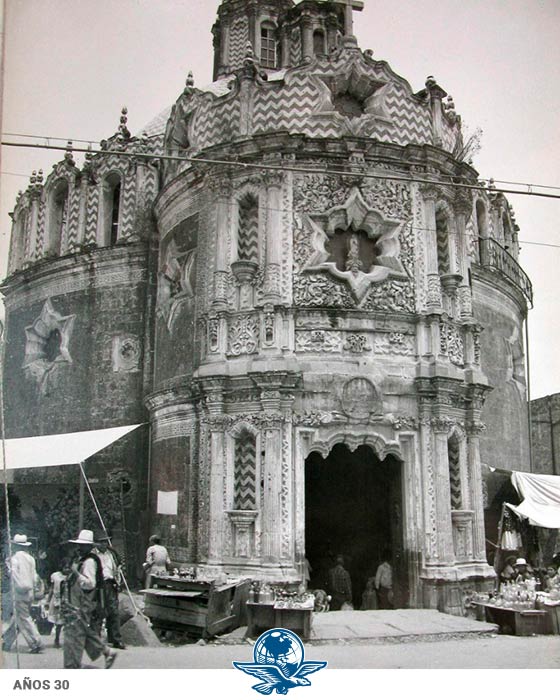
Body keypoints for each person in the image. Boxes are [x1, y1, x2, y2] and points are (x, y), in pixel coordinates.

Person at [61, 529, 117, 669]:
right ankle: (106, 652)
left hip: (83, 601)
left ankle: (73, 664)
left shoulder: (90, 561)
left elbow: (90, 583)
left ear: (89, 546)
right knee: (80, 630)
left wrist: (75, 573)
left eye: (83, 545)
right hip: (78, 601)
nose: (80, 548)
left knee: (77, 633)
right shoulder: (83, 560)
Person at [2, 534, 44, 654]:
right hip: (29, 592)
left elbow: (14, 575)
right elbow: (35, 576)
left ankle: (36, 642)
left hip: (20, 591)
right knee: (19, 617)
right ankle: (7, 641)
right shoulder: (30, 559)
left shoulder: (14, 559)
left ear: (15, 545)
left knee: (24, 618)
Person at [91, 533, 126, 649]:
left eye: (106, 541)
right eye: (101, 542)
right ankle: (96, 640)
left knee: (114, 612)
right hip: (98, 585)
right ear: (96, 543)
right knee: (98, 611)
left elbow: (118, 567)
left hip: (111, 584)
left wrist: (118, 581)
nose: (104, 544)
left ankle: (116, 639)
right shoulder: (92, 555)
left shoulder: (112, 554)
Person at [47, 558, 71, 648]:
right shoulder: (56, 576)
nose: (67, 570)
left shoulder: (71, 577)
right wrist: (48, 600)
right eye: (65, 568)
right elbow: (51, 589)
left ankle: (67, 641)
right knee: (59, 622)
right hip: (57, 601)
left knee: (68, 623)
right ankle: (56, 639)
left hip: (67, 601)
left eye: (69, 568)